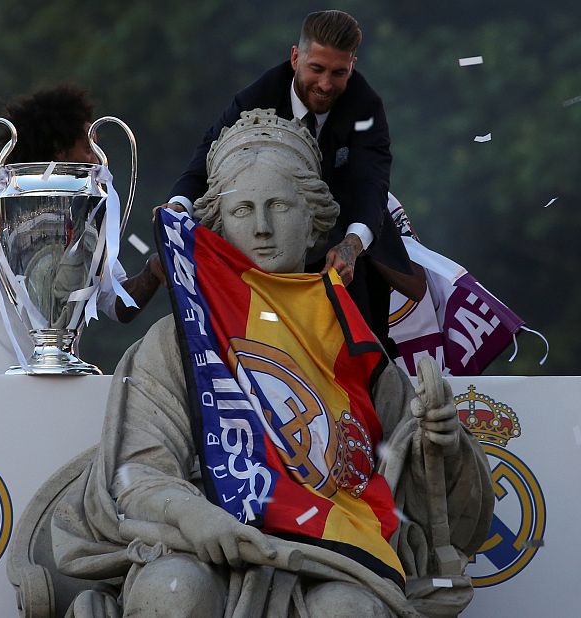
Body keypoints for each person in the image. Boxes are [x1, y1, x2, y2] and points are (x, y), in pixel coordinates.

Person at [49, 112, 492, 617]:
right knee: (173, 590)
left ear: (313, 222)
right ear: (218, 226)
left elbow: (425, 503)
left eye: (278, 206)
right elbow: (137, 475)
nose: (261, 228)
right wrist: (197, 518)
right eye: (242, 211)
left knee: (348, 610)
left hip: (330, 553)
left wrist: (444, 444)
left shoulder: (351, 342)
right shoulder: (179, 342)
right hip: (199, 545)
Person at [163, 10, 422, 352]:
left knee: (361, 323)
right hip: (270, 238)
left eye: (338, 73)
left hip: (344, 235)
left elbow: (371, 183)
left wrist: (353, 245)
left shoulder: (367, 106)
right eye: (316, 69)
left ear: (352, 66)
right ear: (296, 57)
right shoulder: (253, 99)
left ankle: (368, 364)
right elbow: (205, 159)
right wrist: (177, 206)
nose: (326, 84)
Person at [0, 85, 163, 374]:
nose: (96, 158)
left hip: (56, 387)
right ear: (60, 149)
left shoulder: (86, 214)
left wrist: (155, 270)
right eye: (88, 147)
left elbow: (119, 307)